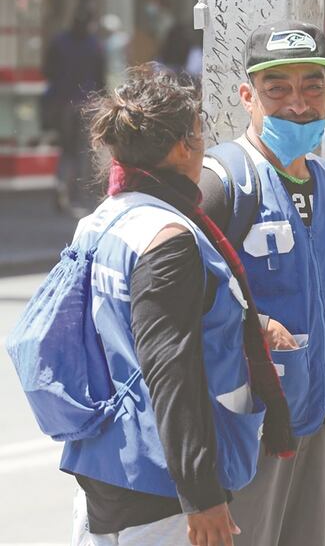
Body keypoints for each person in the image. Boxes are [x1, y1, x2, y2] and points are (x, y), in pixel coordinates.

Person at [69, 66, 292, 546]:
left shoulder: (103, 220)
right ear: (181, 148)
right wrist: (201, 495)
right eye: (200, 134)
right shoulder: (167, 238)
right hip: (159, 483)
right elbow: (171, 372)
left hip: (105, 459)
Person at [198, 21, 325, 545]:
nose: (298, 104)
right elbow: (174, 314)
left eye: (312, 87)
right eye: (278, 89)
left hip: (317, 424)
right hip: (243, 431)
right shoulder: (221, 184)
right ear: (247, 96)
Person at [43, 7, 106, 214]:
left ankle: (61, 185)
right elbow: (100, 77)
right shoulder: (94, 45)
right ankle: (75, 194)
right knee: (81, 150)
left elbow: (48, 70)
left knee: (65, 148)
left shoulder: (59, 41)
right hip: (85, 102)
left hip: (62, 102)